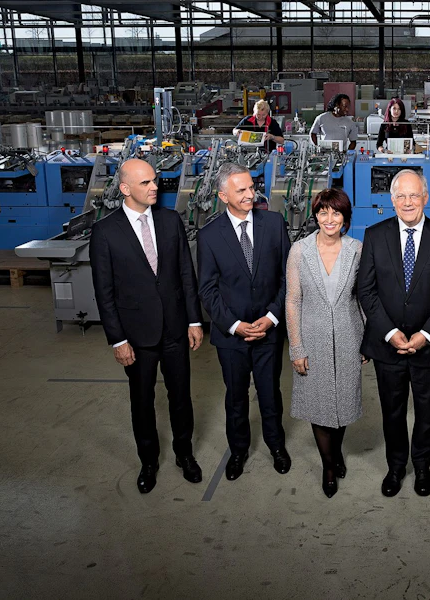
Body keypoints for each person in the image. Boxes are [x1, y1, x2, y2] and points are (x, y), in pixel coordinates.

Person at [89, 158, 205, 495]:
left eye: (155, 181)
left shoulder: (170, 222)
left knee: (181, 396)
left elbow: (186, 274)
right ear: (125, 189)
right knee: (142, 400)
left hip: (174, 329)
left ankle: (185, 454)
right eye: (145, 183)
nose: (154, 187)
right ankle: (148, 461)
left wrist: (194, 320)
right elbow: (104, 292)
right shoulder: (105, 231)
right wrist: (117, 340)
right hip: (136, 334)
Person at [357, 169, 430, 498]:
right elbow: (367, 290)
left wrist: (425, 335)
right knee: (392, 410)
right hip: (387, 346)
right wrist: (389, 333)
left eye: (414, 195)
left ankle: (421, 467)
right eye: (400, 196)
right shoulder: (375, 235)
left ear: (426, 197)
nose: (407, 202)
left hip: (429, 347)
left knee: (427, 410)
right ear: (391, 200)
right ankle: (395, 466)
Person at [196, 162, 293, 481]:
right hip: (231, 336)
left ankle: (276, 446)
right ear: (223, 195)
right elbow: (208, 290)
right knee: (235, 397)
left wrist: (271, 317)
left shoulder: (274, 223)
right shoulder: (209, 236)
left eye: (252, 187)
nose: (251, 194)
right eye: (242, 190)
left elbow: (287, 278)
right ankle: (238, 451)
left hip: (269, 331)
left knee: (270, 393)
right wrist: (235, 325)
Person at [285, 188, 365, 499]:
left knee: (343, 403)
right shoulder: (299, 251)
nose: (329, 219)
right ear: (315, 215)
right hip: (312, 338)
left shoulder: (356, 250)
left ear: (345, 217)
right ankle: (328, 467)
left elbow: (361, 298)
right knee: (319, 407)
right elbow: (293, 300)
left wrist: (366, 341)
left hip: (348, 335)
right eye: (322, 212)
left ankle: (336, 451)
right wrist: (297, 347)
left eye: (336, 213)